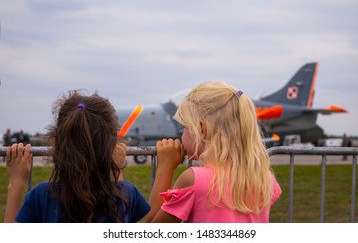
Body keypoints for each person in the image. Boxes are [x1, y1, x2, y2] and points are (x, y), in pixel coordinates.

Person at [145, 81, 282, 223]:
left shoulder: (194, 179)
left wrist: (165, 168)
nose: (182, 135)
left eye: (185, 127)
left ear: (202, 130)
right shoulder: (265, 179)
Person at [5, 91, 150, 223]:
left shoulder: (40, 196)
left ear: (56, 142)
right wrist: (114, 171)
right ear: (113, 144)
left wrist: (16, 183)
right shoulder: (127, 194)